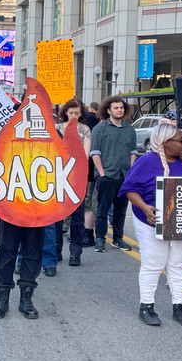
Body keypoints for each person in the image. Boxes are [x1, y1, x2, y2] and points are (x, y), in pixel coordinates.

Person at [121, 124, 182, 327]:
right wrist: (145, 208)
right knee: (153, 264)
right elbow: (130, 190)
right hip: (151, 221)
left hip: (179, 221)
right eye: (181, 140)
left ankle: (179, 307)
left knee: (176, 265)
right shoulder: (146, 162)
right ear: (165, 143)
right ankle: (146, 306)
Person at [90, 96, 137, 252]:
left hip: (124, 176)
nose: (119, 110)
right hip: (107, 175)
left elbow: (133, 152)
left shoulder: (130, 129)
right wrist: (102, 173)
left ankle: (118, 239)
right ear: (108, 110)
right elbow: (95, 153)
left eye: (121, 108)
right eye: (116, 108)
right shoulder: (99, 129)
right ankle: (100, 239)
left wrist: (130, 173)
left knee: (121, 210)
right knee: (102, 209)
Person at [55, 99, 90, 267]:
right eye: (71, 113)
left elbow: (86, 154)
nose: (74, 115)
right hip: (59, 175)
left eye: (77, 113)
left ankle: (76, 252)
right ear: (65, 113)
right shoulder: (57, 128)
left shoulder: (85, 130)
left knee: (77, 217)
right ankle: (56, 249)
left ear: (81, 113)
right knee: (57, 216)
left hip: (77, 176)